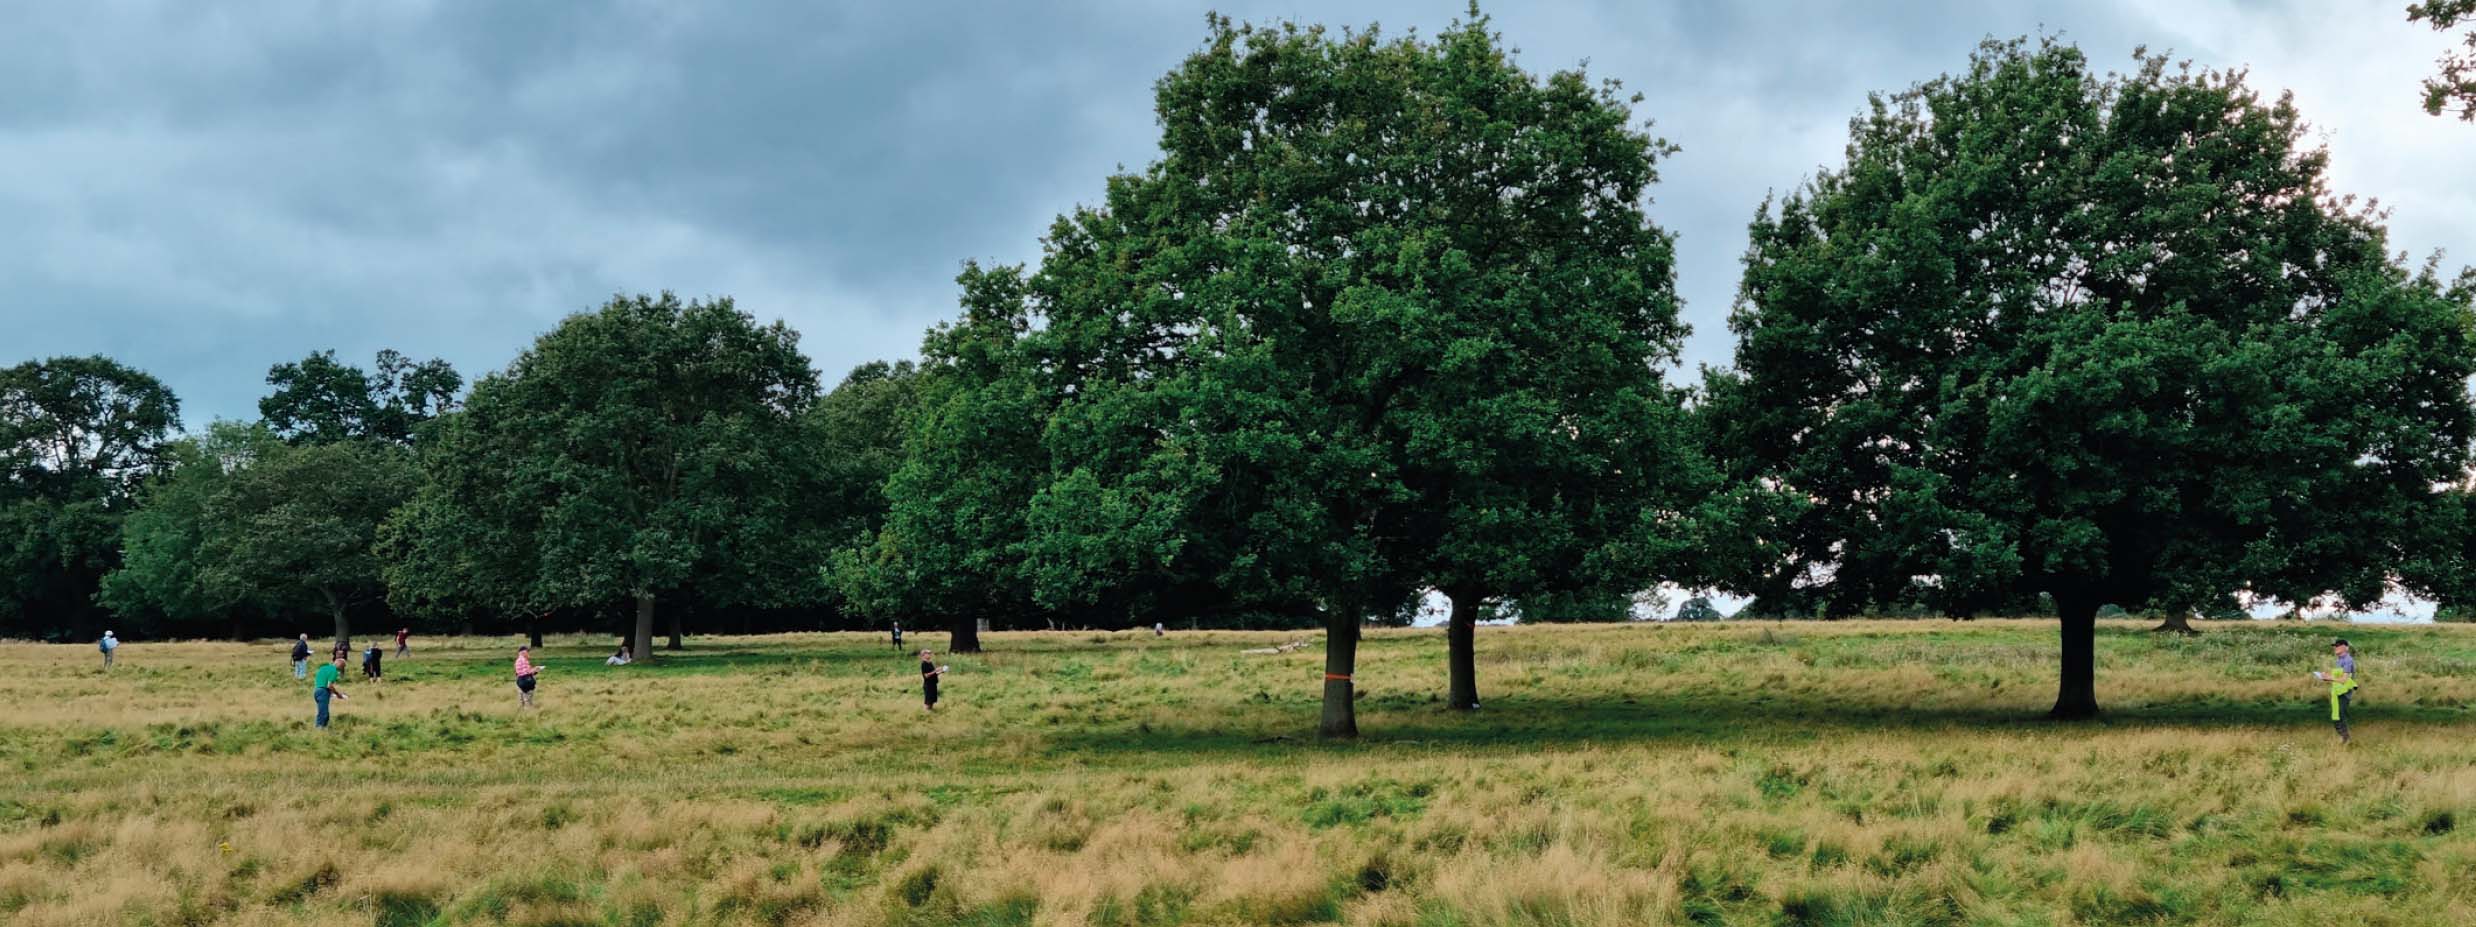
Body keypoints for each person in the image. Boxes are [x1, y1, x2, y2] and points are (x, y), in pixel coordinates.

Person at [2312, 637, 2361, 743]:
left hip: (2344, 692)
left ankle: (2346, 740)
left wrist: (2329, 678)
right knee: (2336, 716)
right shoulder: (2339, 660)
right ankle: (2344, 739)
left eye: (2337, 646)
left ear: (2345, 647)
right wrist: (2326, 675)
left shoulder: (2348, 660)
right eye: (2334, 646)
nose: (2335, 648)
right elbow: (2338, 676)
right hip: (2337, 691)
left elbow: (2344, 679)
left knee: (2339, 716)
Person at [312, 653, 348, 730]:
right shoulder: (334, 671)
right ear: (340, 665)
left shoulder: (323, 668)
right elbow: (329, 686)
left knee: (323, 712)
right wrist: (338, 694)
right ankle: (319, 730)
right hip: (323, 692)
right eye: (342, 667)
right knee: (323, 714)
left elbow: (322, 682)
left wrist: (331, 694)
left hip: (316, 691)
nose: (341, 669)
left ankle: (322, 729)